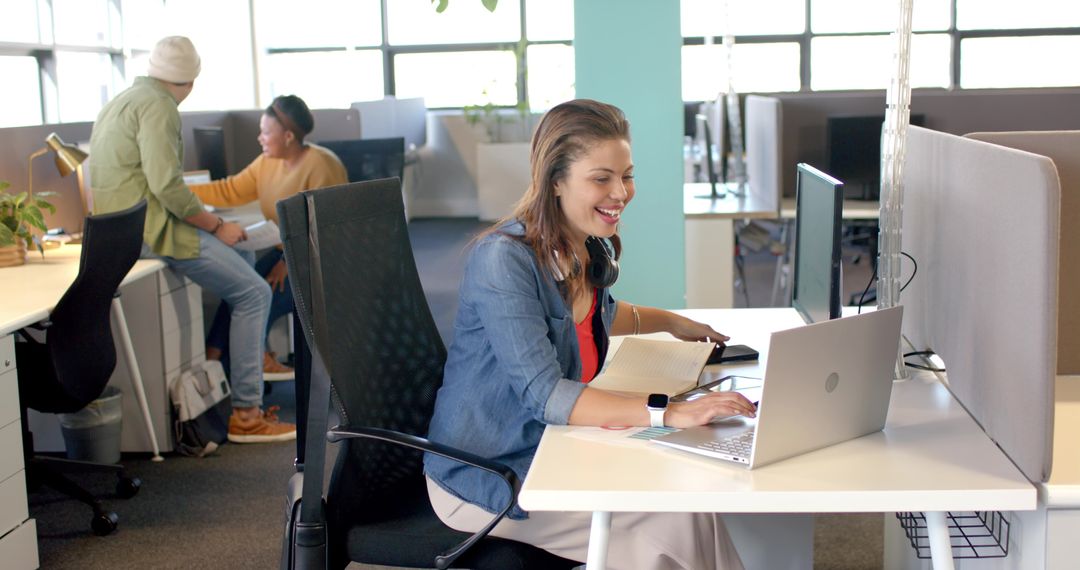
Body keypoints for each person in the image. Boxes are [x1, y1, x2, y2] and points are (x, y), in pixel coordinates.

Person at [423, 99, 754, 569]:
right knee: (669, 527)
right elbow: (546, 396)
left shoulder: (577, 247)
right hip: (488, 473)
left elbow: (595, 315)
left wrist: (675, 322)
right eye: (602, 178)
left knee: (693, 505)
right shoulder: (504, 260)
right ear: (555, 181)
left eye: (627, 175)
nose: (621, 191)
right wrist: (670, 413)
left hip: (551, 447)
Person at [89, 36, 295, 444]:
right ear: (191, 80)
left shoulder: (123, 101)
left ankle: (233, 378)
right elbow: (167, 186)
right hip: (154, 231)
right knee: (255, 293)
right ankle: (247, 413)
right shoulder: (160, 106)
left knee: (244, 262)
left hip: (123, 229)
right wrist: (217, 226)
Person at [189, 95, 348, 379]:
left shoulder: (322, 164)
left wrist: (289, 262)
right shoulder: (268, 163)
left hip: (321, 263)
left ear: (288, 136)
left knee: (256, 299)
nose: (259, 138)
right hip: (286, 253)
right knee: (238, 289)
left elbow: (330, 226)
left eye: (265, 132)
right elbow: (230, 190)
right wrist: (180, 193)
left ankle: (240, 372)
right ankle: (211, 369)